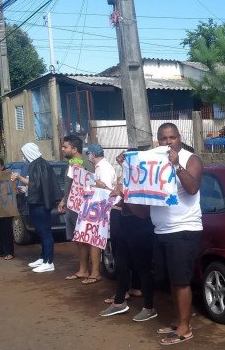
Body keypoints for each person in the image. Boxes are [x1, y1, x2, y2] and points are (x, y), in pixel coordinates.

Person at [129, 123, 202, 345]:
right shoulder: (153, 164)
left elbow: (192, 188)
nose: (168, 142)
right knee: (170, 279)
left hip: (184, 229)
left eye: (172, 137)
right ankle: (180, 319)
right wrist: (129, 180)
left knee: (181, 281)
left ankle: (185, 328)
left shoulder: (191, 159)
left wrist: (177, 166)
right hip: (161, 230)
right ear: (157, 141)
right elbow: (142, 211)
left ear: (179, 138)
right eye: (163, 138)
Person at [100, 150, 155, 320]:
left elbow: (144, 204)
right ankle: (118, 302)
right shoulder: (126, 175)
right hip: (125, 223)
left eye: (128, 159)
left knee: (143, 268)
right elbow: (124, 200)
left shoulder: (147, 177)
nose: (124, 161)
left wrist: (122, 194)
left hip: (141, 225)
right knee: (121, 264)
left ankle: (149, 306)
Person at [11, 143, 63, 273]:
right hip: (36, 202)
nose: (23, 156)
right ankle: (43, 257)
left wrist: (19, 178)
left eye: (23, 153)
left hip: (39, 204)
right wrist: (26, 189)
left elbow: (36, 184)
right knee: (41, 231)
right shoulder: (36, 164)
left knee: (45, 232)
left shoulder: (39, 164)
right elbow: (37, 185)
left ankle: (49, 261)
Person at [76, 143, 116, 285]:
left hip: (100, 210)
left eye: (89, 155)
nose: (88, 157)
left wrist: (92, 185)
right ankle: (91, 271)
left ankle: (95, 273)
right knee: (90, 240)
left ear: (92, 155)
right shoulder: (99, 167)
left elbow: (105, 191)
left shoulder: (104, 168)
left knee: (95, 241)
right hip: (95, 210)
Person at [59, 135, 97, 282]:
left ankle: (91, 271)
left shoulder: (86, 163)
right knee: (78, 240)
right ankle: (83, 270)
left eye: (65, 147)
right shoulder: (71, 163)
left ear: (74, 149)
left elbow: (90, 184)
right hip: (71, 207)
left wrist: (80, 168)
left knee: (85, 240)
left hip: (82, 208)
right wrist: (64, 200)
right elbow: (71, 186)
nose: (63, 149)